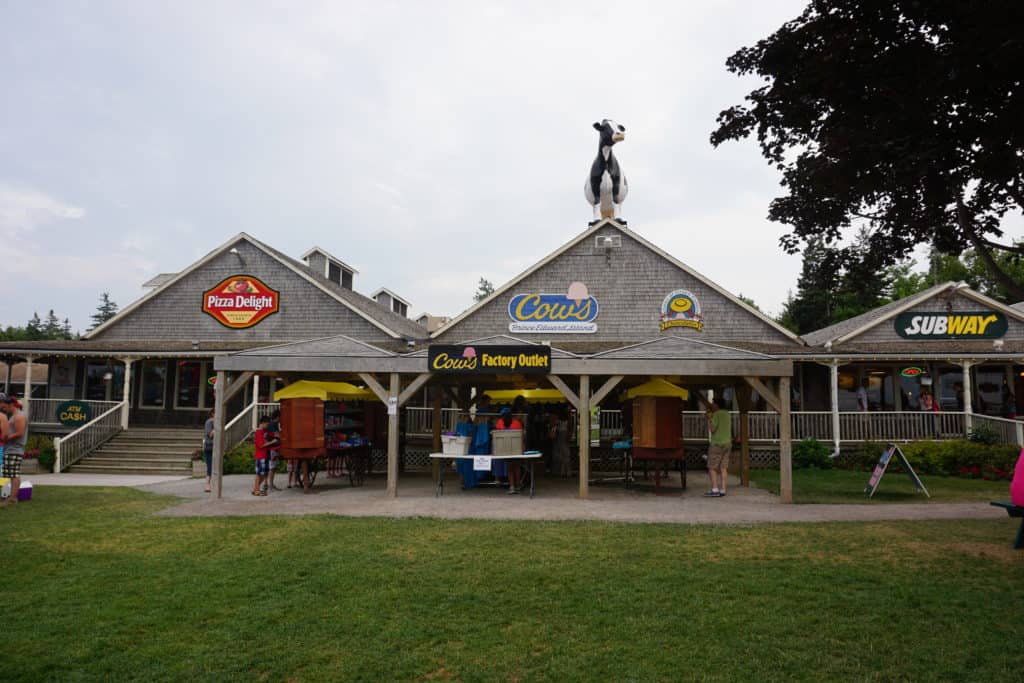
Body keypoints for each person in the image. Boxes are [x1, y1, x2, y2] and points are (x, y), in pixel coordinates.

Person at [0, 393, 28, 506]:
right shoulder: (13, 416)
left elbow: (20, 433)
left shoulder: (19, 416)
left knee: (14, 474)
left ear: (11, 404)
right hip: (11, 448)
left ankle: (12, 499)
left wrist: (4, 438)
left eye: (3, 406)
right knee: (11, 474)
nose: (2, 408)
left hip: (15, 449)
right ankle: (11, 497)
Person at [704, 397, 731, 497]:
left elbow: (713, 430)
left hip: (717, 444)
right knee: (723, 467)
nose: (712, 405)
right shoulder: (727, 414)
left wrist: (709, 419)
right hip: (727, 444)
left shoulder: (716, 414)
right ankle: (723, 489)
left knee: (712, 467)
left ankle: (715, 489)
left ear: (717, 405)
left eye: (713, 403)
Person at [495, 406, 524, 493]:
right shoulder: (517, 423)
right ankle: (518, 485)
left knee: (510, 468)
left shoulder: (500, 423)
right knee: (517, 467)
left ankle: (512, 487)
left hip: (505, 449)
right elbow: (522, 436)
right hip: (517, 448)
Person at [252, 415, 278, 496]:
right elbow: (261, 445)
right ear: (262, 423)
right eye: (267, 424)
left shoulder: (264, 432)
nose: (267, 426)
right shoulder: (258, 432)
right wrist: (272, 442)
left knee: (264, 473)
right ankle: (256, 490)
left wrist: (275, 435)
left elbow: (271, 434)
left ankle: (256, 489)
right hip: (260, 455)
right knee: (260, 474)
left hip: (265, 455)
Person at [264, 410, 282, 492]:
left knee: (272, 467)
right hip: (272, 448)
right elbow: (277, 434)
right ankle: (270, 484)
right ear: (278, 417)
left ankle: (268, 484)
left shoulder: (272, 424)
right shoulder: (273, 424)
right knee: (272, 467)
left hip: (272, 447)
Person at [202, 409, 215, 493]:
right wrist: (215, 429)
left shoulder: (217, 422)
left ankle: (212, 484)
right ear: (213, 414)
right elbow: (209, 434)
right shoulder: (209, 422)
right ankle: (207, 485)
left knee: (215, 467)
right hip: (209, 447)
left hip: (216, 448)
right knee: (210, 467)